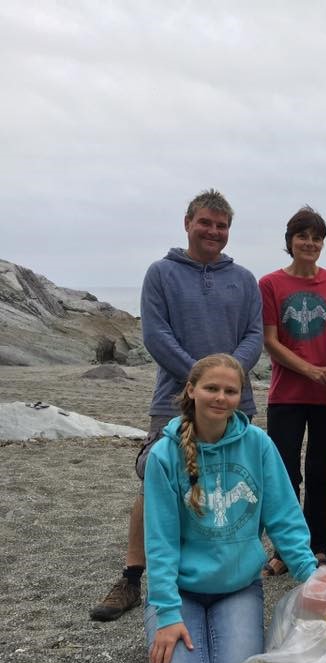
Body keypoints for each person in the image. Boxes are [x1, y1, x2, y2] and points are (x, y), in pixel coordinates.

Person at [90, 189, 263, 622]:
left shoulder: (243, 279)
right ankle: (132, 577)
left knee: (232, 486)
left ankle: (223, 574)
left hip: (235, 402)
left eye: (222, 226)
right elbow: (156, 335)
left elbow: (254, 336)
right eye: (205, 222)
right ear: (188, 223)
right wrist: (198, 383)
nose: (213, 231)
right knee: (156, 481)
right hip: (172, 401)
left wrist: (225, 382)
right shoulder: (161, 274)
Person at [143, 354, 316, 663]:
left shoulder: (258, 444)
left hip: (237, 587)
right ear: (191, 390)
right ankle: (172, 625)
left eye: (231, 390)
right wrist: (167, 614)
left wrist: (310, 577)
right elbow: (160, 542)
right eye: (211, 388)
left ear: (241, 396)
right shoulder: (164, 455)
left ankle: (215, 630)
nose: (221, 397)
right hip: (182, 589)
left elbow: (284, 515)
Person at [259, 206, 326, 572]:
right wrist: (310, 370)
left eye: (316, 237)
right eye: (303, 236)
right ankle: (286, 549)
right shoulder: (270, 284)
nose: (310, 243)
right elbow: (270, 341)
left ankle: (318, 543)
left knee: (323, 472)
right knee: (285, 473)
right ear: (290, 241)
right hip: (286, 395)